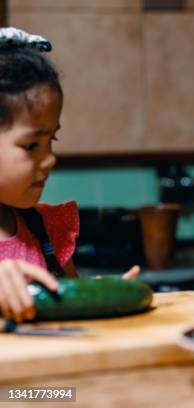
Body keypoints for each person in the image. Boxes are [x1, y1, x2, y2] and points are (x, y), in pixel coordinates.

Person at [0, 27, 138, 323]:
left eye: (52, 140)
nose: (49, 159)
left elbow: (70, 295)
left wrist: (99, 293)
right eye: (32, 145)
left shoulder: (44, 229)